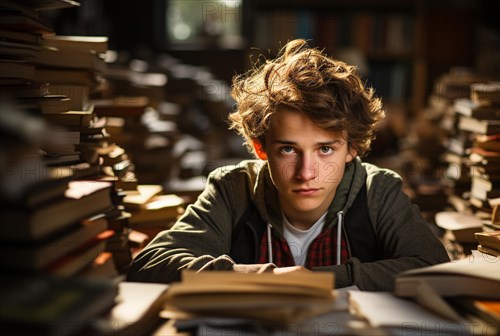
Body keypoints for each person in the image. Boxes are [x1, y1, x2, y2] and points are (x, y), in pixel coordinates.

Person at [127, 39, 449, 291]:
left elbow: (433, 268)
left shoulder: (376, 189)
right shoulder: (232, 189)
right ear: (260, 148)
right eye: (288, 150)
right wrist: (267, 277)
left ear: (352, 149)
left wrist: (320, 278)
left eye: (325, 149)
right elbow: (150, 265)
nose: (306, 172)